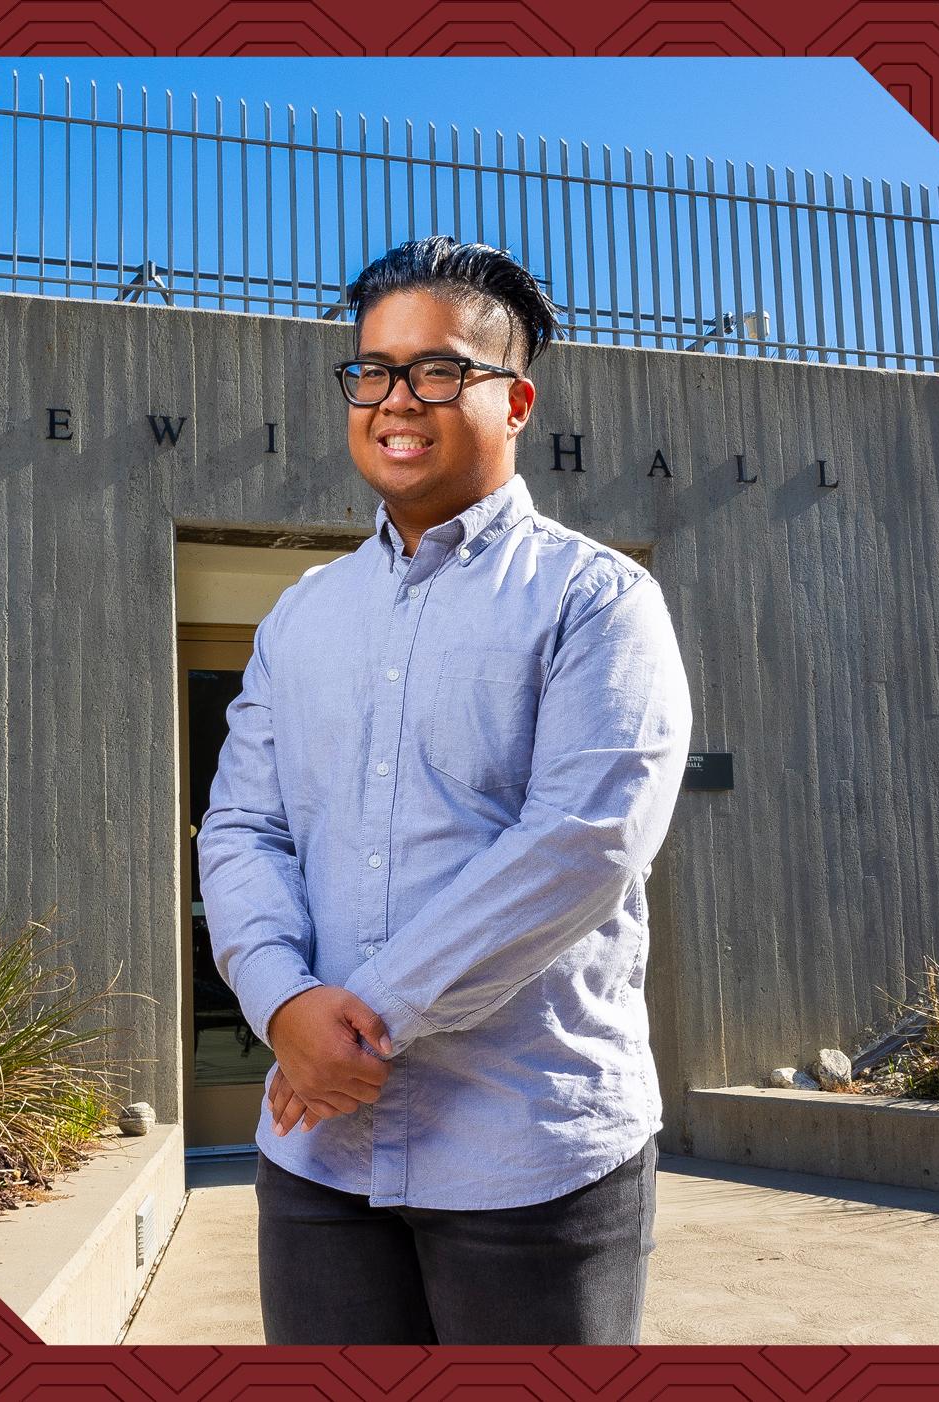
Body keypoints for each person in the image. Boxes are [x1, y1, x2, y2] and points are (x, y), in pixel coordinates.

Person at [196, 234, 692, 1345]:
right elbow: (241, 825)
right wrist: (282, 1005)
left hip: (529, 1149)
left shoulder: (596, 601)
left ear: (514, 400)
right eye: (371, 370)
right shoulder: (302, 615)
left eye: (436, 370)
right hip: (317, 1160)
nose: (394, 399)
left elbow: (584, 840)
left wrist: (358, 1031)